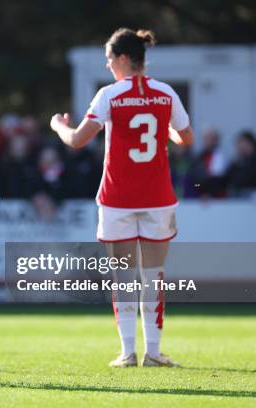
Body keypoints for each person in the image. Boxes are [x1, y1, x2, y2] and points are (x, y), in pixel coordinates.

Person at [50, 28, 194, 368]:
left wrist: (58, 125)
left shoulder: (110, 95)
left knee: (124, 276)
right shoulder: (165, 93)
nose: (108, 65)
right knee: (154, 275)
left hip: (118, 198)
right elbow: (185, 138)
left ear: (124, 59)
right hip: (158, 197)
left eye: (110, 59)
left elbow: (77, 140)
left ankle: (128, 352)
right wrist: (164, 133)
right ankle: (154, 352)